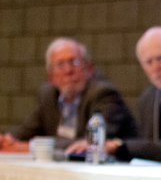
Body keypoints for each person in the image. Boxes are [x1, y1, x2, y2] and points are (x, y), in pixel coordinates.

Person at [67, 27, 161, 162]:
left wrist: (118, 146)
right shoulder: (148, 97)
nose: (156, 67)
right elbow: (146, 146)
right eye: (149, 62)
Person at [0, 38, 136, 152]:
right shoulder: (48, 95)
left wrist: (31, 147)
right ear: (51, 77)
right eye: (61, 65)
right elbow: (24, 131)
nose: (68, 70)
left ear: (89, 69)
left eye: (74, 62)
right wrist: (6, 140)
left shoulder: (104, 94)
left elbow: (91, 143)